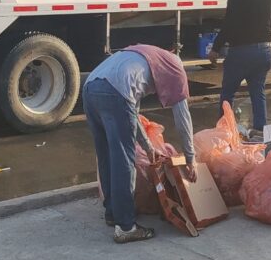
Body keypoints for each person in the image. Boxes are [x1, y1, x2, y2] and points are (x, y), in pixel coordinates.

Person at [83, 44, 197, 244]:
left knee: (107, 154)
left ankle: (113, 213)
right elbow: (182, 118)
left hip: (90, 86)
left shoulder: (146, 56)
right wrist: (190, 158)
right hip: (115, 90)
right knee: (124, 160)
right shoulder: (176, 70)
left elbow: (132, 115)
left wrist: (148, 147)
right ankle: (126, 227)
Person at [209, 0, 271, 141]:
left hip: (241, 52)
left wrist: (216, 47)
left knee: (228, 93)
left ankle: (224, 131)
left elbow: (229, 24)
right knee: (257, 92)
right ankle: (261, 134)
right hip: (264, 52)